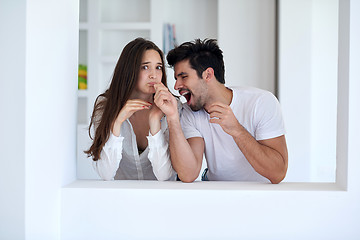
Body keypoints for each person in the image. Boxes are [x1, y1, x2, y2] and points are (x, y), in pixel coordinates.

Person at [153, 39, 288, 183]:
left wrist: (237, 131)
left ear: (208, 75)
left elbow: (278, 173)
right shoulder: (190, 112)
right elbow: (188, 174)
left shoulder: (260, 102)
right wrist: (172, 118)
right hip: (215, 193)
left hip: (261, 196)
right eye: (176, 78)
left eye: (184, 77)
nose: (176, 86)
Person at [84, 38, 176, 181]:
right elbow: (105, 174)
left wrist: (154, 122)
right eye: (145, 67)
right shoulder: (105, 106)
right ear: (129, 70)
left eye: (158, 67)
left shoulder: (172, 107)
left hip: (162, 198)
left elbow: (164, 176)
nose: (154, 75)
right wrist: (117, 122)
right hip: (122, 198)